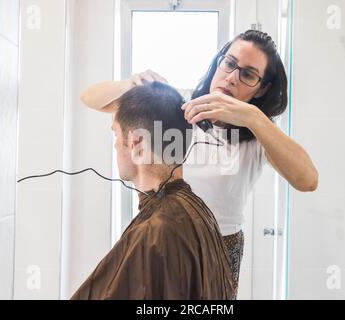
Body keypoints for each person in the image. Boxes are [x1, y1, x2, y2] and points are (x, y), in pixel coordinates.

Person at [80, 30, 319, 297]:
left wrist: (253, 117)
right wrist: (130, 85)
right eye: (229, 63)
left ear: (262, 88)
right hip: (162, 235)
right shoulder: (179, 105)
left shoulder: (257, 137)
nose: (231, 78)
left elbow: (308, 180)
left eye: (248, 74)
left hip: (218, 249)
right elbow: (91, 98)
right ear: (219, 61)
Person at [71, 81, 234, 300]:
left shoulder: (154, 232)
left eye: (117, 135)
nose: (116, 145)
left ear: (137, 144)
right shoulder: (199, 210)